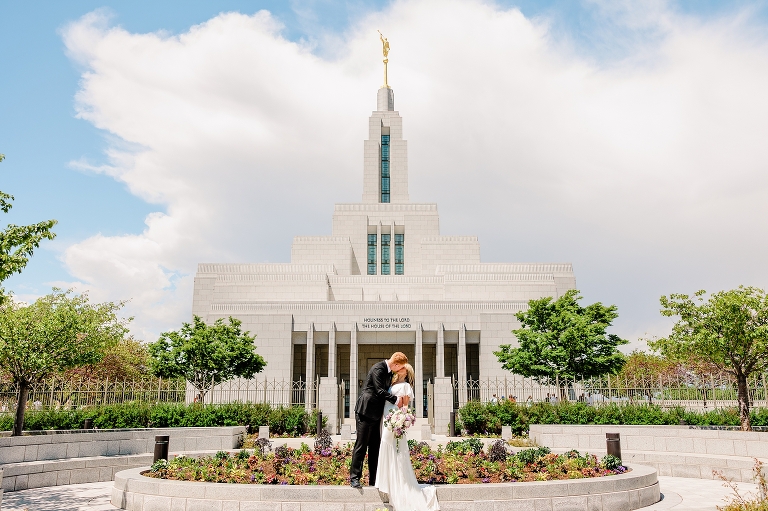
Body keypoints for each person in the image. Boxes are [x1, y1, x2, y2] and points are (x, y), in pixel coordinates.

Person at [376, 363, 440, 511]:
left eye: (402, 368)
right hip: (386, 418)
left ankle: (395, 481)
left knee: (393, 448)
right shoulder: (391, 383)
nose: (399, 369)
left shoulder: (405, 386)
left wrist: (401, 420)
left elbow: (405, 406)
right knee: (386, 446)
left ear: (406, 371)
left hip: (394, 420)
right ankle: (387, 480)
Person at [350, 352, 408, 488]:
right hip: (365, 411)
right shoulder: (379, 368)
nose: (400, 370)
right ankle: (354, 478)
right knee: (361, 445)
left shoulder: (389, 373)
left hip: (376, 415)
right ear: (396, 364)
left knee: (375, 448)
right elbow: (380, 390)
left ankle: (374, 479)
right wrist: (396, 400)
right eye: (400, 367)